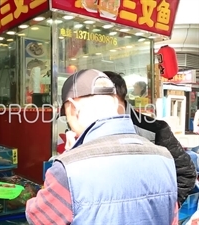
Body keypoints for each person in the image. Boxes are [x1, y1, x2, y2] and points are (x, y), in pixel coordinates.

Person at [26, 69, 178, 224]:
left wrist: (68, 156)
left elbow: (37, 218)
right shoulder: (164, 157)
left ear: (73, 107)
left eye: (66, 115)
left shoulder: (69, 168)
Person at [104, 71, 196, 206]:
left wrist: (167, 208)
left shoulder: (154, 129)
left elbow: (185, 173)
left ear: (114, 97)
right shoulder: (86, 129)